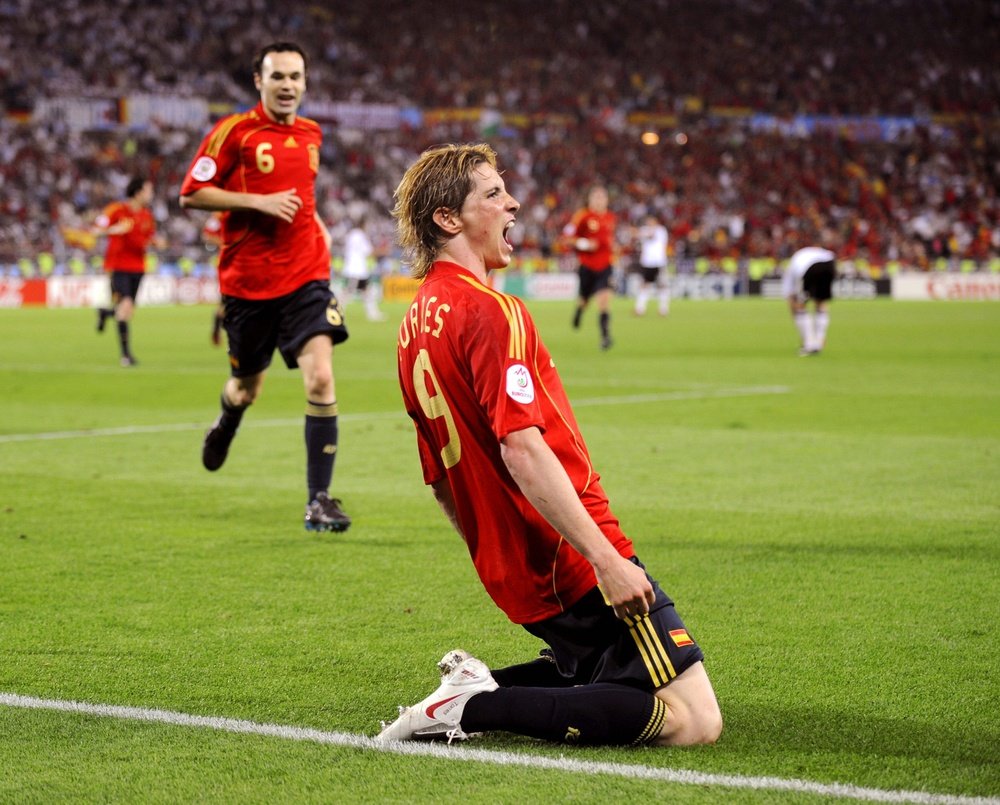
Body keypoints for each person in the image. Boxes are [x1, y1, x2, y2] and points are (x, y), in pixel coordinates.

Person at [380, 143, 722, 748]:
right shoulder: (493, 310)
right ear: (448, 218)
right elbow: (523, 449)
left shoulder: (413, 326)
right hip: (568, 549)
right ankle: (470, 708)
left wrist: (495, 550)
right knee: (693, 720)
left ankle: (463, 697)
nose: (511, 201)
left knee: (597, 673)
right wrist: (605, 559)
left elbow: (438, 476)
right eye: (492, 193)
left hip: (513, 564)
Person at [179, 41, 351, 533]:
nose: (288, 86)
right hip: (249, 285)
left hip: (306, 276)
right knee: (246, 388)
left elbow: (301, 194)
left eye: (296, 77)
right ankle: (227, 420)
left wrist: (317, 222)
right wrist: (258, 203)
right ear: (259, 80)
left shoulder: (313, 134)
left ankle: (318, 500)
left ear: (305, 82)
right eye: (278, 76)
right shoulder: (234, 132)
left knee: (320, 377)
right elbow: (191, 194)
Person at [93, 176, 162, 367]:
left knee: (128, 309)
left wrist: (157, 243)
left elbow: (148, 238)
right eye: (148, 190)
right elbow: (96, 230)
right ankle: (126, 356)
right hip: (117, 266)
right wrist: (115, 229)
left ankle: (105, 313)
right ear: (138, 192)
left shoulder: (147, 215)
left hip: (138, 267)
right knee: (125, 306)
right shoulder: (116, 210)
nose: (151, 194)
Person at [563, 185, 617, 350]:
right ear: (591, 200)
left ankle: (605, 336)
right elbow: (567, 238)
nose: (600, 200)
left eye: (603, 197)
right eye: (597, 197)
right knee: (585, 299)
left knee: (604, 300)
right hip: (587, 266)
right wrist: (585, 244)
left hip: (605, 265)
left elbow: (608, 240)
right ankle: (579, 311)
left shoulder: (610, 217)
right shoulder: (582, 216)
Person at [783, 237, 837, 356]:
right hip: (830, 262)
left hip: (810, 268)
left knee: (799, 305)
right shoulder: (802, 254)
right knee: (821, 302)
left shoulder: (792, 265)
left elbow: (791, 298)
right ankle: (819, 340)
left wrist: (795, 314)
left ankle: (808, 344)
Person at [341, 219, 385, 321]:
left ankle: (372, 313)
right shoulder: (361, 235)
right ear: (363, 225)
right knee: (349, 292)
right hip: (358, 269)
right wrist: (382, 251)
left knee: (365, 291)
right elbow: (368, 251)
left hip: (350, 268)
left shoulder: (350, 235)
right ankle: (337, 311)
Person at [633, 213, 671, 317]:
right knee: (645, 284)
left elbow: (651, 236)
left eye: (651, 220)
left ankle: (663, 308)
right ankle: (640, 308)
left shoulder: (661, 230)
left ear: (656, 221)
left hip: (659, 262)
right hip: (647, 262)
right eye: (648, 220)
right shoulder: (644, 230)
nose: (649, 222)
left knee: (662, 285)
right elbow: (637, 236)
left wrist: (639, 232)